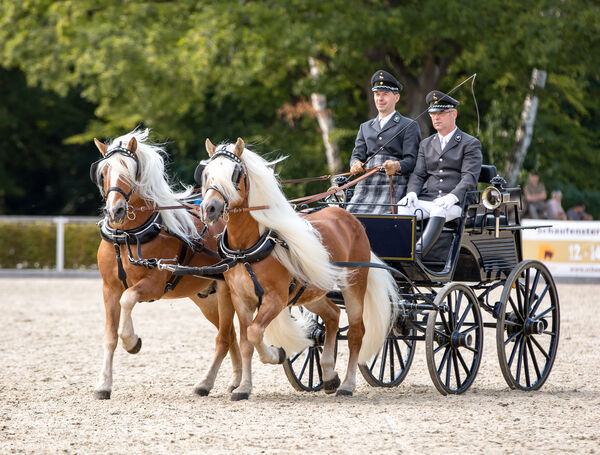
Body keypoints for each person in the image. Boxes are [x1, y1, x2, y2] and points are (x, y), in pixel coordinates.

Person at [397, 90, 482, 257]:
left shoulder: (469, 143)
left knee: (438, 210)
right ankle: (402, 254)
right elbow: (419, 174)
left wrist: (453, 196)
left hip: (458, 205)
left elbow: (469, 178)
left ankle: (418, 255)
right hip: (431, 199)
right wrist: (412, 192)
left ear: (454, 114)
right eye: (433, 114)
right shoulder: (426, 144)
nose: (436, 117)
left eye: (441, 113)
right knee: (403, 207)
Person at [346, 70, 421, 214]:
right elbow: (357, 155)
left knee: (383, 218)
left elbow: (413, 161)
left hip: (394, 183)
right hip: (367, 183)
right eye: (377, 94)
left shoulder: (409, 125)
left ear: (396, 97)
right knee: (350, 215)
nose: (380, 98)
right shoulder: (365, 127)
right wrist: (355, 164)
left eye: (385, 94)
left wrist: (397, 165)